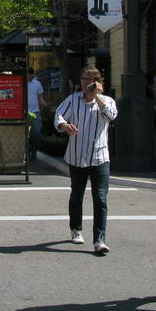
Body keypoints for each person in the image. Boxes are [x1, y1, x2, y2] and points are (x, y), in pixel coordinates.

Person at [54, 67, 117, 255]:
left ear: (97, 82)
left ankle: (99, 239)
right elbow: (59, 115)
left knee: (100, 198)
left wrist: (97, 96)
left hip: (100, 157)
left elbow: (111, 116)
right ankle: (76, 229)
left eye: (89, 79)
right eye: (82, 78)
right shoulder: (73, 100)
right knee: (77, 195)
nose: (84, 82)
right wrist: (64, 125)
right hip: (77, 155)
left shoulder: (107, 101)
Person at [27, 68, 47, 159]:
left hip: (35, 112)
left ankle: (34, 150)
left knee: (36, 132)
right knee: (25, 134)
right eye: (28, 76)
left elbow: (41, 98)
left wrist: (45, 105)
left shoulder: (37, 84)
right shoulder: (21, 83)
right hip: (24, 112)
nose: (30, 78)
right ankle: (27, 151)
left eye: (31, 76)